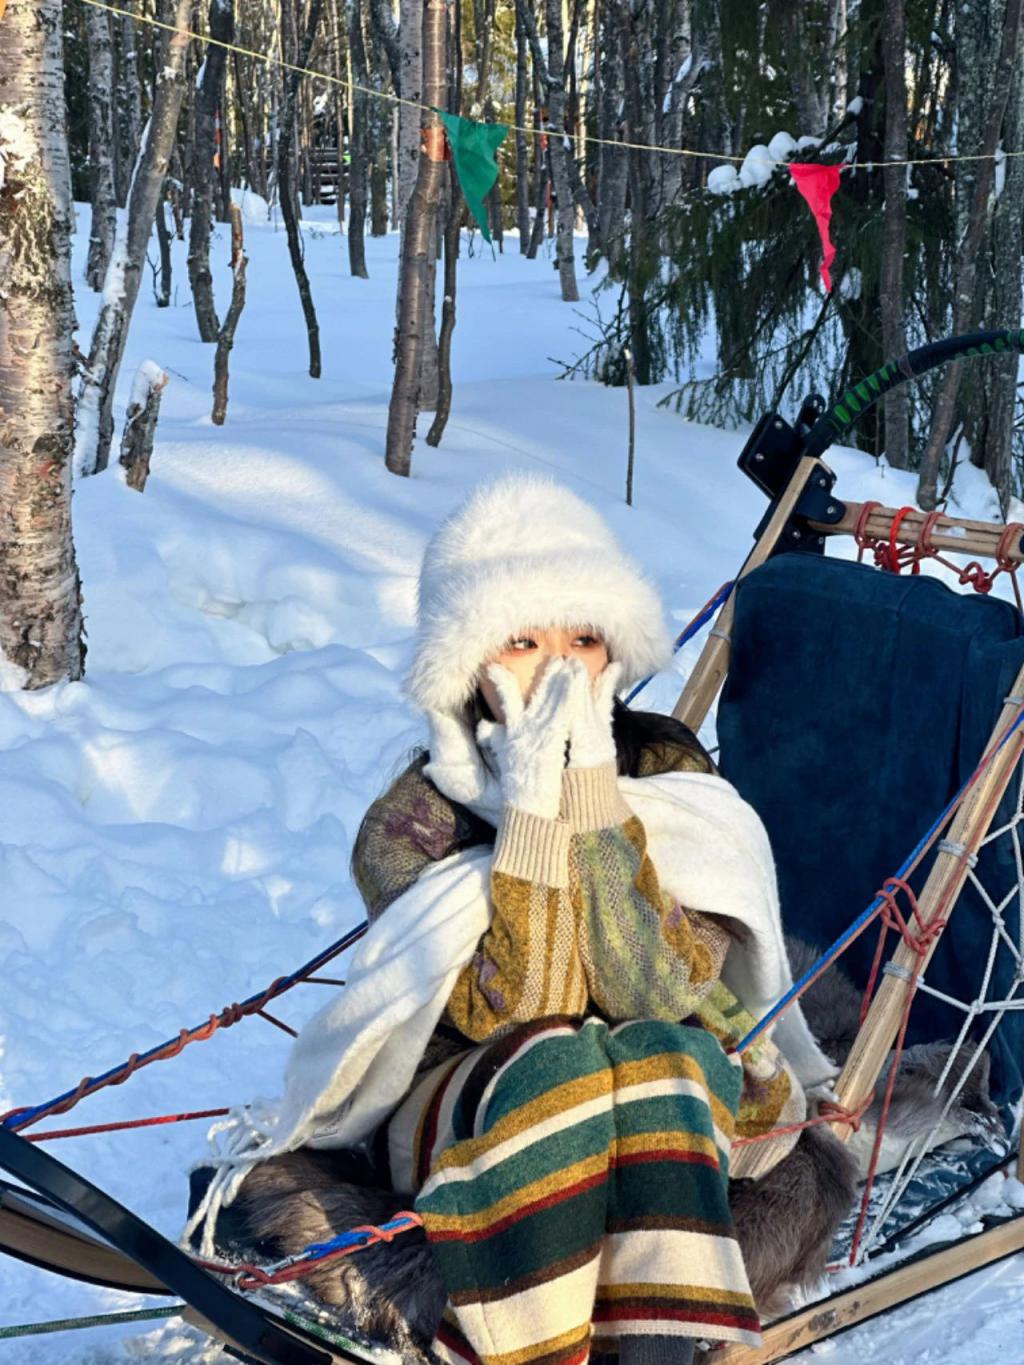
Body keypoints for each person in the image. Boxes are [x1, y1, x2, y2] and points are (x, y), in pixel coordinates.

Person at [187, 474, 846, 1365]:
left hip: (653, 1094)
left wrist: (594, 796)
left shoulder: (674, 778)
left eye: (583, 638)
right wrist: (535, 809)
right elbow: (518, 1010)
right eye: (524, 640)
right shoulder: (408, 824)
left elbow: (656, 989)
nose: (560, 667)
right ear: (471, 664)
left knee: (667, 1048)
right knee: (556, 1061)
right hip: (468, 1110)